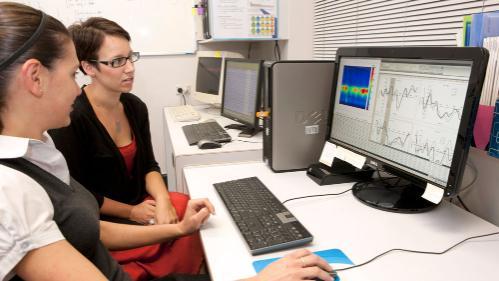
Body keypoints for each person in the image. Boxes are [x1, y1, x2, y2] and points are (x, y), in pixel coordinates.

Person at [0, 2, 334, 280]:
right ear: (35, 77)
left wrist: (177, 227)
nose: (76, 88)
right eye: (73, 74)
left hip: (119, 237)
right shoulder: (13, 187)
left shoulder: (38, 149)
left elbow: (89, 226)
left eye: (131, 57)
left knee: (184, 207)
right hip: (121, 242)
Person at [47, 17, 203, 280]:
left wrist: (163, 201)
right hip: (107, 219)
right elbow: (82, 196)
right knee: (173, 234)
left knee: (185, 204)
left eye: (131, 57)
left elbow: (150, 167)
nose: (130, 68)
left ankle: (179, 266)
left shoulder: (134, 106)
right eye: (117, 61)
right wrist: (132, 212)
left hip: (142, 205)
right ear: (88, 67)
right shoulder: (72, 119)